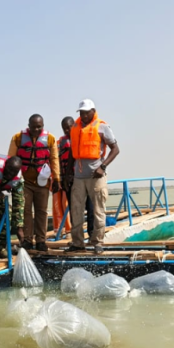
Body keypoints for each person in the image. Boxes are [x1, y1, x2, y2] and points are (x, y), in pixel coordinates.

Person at [66, 99, 120, 254]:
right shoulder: (75, 127)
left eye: (85, 112)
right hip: (78, 176)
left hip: (96, 176)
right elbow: (72, 152)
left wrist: (103, 167)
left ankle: (97, 242)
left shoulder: (102, 126)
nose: (83, 115)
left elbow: (115, 149)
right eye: (81, 112)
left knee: (98, 210)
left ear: (93, 111)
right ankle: (77, 242)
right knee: (76, 210)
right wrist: (68, 173)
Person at [8, 114, 61, 251]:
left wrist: (57, 179)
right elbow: (10, 159)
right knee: (25, 211)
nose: (36, 129)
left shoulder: (50, 139)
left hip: (42, 182)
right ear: (28, 125)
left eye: (39, 127)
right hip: (24, 181)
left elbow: (54, 159)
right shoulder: (18, 138)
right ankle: (27, 240)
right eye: (33, 127)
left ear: (43, 126)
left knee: (41, 211)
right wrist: (10, 182)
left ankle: (41, 241)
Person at [56, 116, 93, 238]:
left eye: (69, 127)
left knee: (90, 205)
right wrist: (62, 180)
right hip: (70, 181)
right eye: (64, 128)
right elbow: (58, 163)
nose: (67, 130)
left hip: (83, 177)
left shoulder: (81, 138)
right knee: (74, 209)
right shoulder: (60, 143)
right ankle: (76, 236)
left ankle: (92, 232)